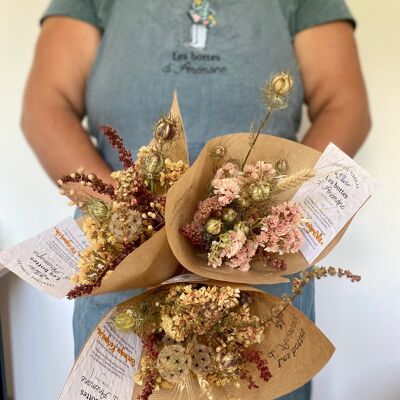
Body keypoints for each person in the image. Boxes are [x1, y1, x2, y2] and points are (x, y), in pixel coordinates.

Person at [21, 1, 370, 398]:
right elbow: (45, 107)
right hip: (125, 266)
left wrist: (260, 215)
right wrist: (135, 220)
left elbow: (345, 106)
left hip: (260, 263)